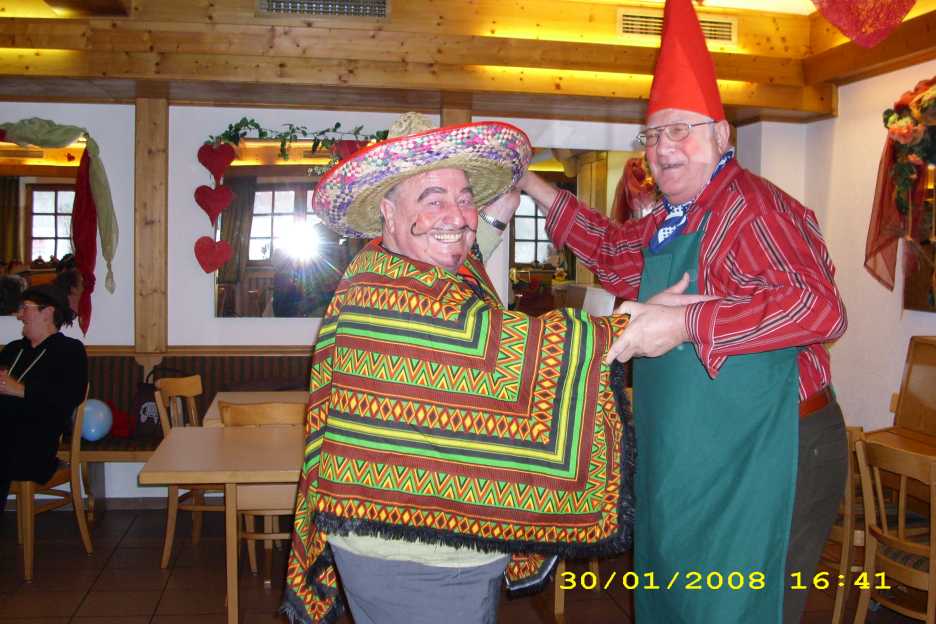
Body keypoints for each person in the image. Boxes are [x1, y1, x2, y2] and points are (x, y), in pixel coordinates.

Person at [479, 1, 848, 621]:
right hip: (703, 449)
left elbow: (819, 308)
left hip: (777, 447)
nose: (662, 148)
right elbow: (611, 251)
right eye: (652, 135)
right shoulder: (671, 221)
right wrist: (534, 186)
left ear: (722, 136)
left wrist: (684, 322)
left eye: (681, 130)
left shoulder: (754, 209)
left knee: (746, 606)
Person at [281, 113, 634, 624]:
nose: (457, 214)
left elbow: (465, 260)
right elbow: (499, 345)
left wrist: (495, 216)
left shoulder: (399, 268)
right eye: (433, 200)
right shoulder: (387, 295)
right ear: (388, 213)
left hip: (417, 533)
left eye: (465, 197)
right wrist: (632, 325)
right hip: (417, 553)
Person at [0, 283, 88, 514]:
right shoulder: (13, 350)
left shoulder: (69, 350)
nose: (19, 315)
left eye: (25, 308)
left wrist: (21, 390)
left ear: (47, 312)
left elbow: (70, 396)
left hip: (35, 443)